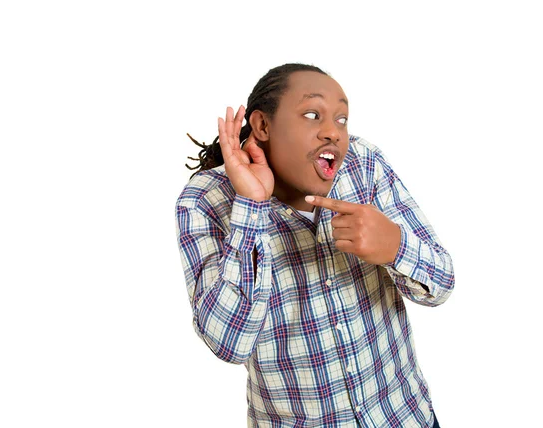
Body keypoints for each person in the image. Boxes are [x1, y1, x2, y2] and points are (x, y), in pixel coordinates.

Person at [174, 63, 453, 427]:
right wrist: (251, 206)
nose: (333, 133)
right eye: (312, 114)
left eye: (342, 119)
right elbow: (229, 343)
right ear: (262, 126)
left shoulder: (364, 165)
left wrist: (395, 246)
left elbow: (442, 284)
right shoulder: (204, 201)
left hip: (403, 416)